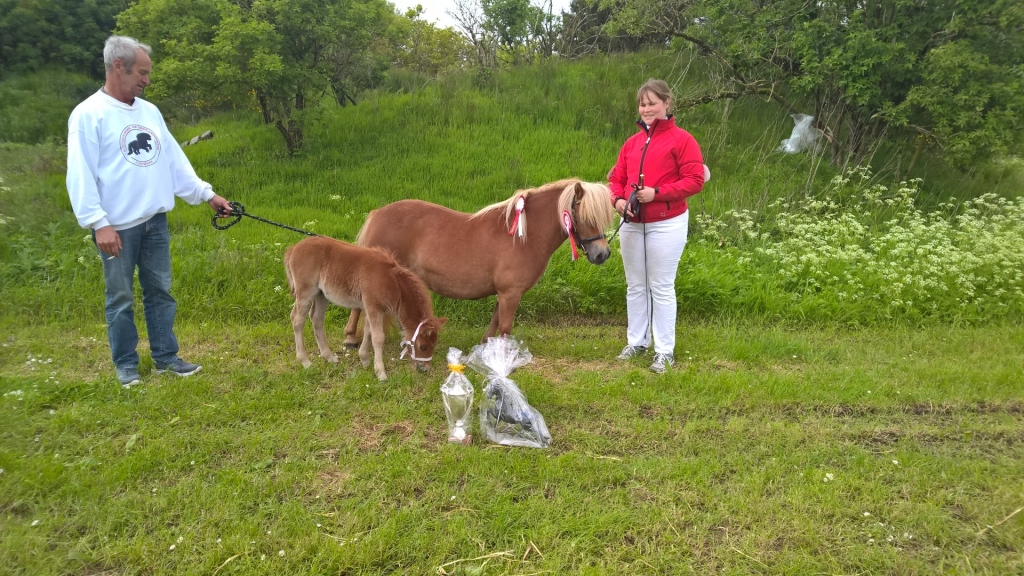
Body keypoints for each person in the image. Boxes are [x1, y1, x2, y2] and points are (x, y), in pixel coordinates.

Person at [66, 35, 232, 387]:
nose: (147, 80)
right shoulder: (88, 115)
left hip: (154, 221)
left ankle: (165, 358)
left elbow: (174, 161)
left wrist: (207, 194)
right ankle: (126, 364)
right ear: (118, 67)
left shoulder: (149, 111)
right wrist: (99, 224)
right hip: (118, 228)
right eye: (141, 72)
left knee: (160, 291)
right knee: (121, 297)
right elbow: (80, 174)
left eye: (148, 73)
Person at [608, 79, 705, 373]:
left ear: (666, 104)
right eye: (643, 104)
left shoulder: (683, 140)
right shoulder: (631, 143)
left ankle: (664, 351)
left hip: (668, 223)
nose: (647, 108)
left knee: (661, 286)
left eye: (652, 103)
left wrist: (657, 194)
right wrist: (617, 202)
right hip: (632, 223)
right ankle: (637, 341)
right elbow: (616, 180)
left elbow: (695, 180)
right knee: (635, 285)